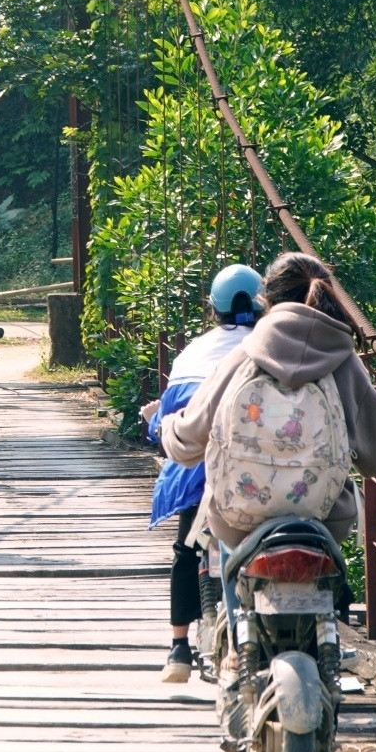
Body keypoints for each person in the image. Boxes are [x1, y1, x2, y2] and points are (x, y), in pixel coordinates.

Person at [159, 252, 376, 550]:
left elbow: (189, 438)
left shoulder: (245, 355)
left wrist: (169, 428)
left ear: (266, 301)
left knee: (220, 537)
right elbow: (375, 460)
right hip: (325, 517)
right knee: (338, 585)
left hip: (240, 518)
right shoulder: (346, 363)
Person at [144, 263, 263, 682]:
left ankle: (178, 648)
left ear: (213, 309)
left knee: (186, 549)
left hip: (200, 474)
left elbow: (174, 417)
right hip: (259, 476)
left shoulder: (193, 352)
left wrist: (154, 422)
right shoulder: (275, 347)